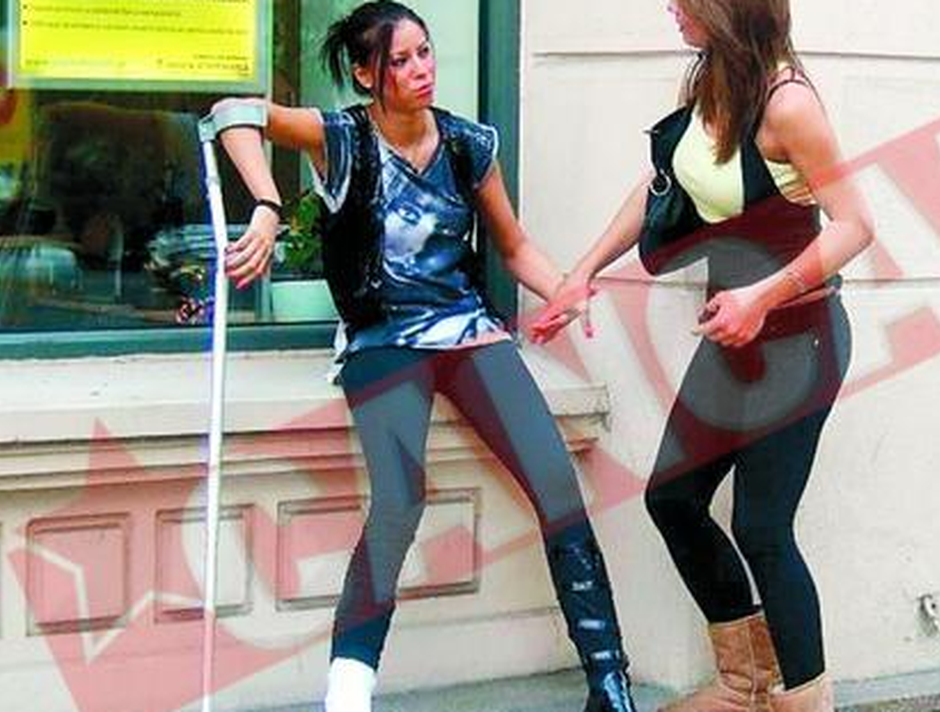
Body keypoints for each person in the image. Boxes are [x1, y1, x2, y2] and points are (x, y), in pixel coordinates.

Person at [209, 3, 638, 711]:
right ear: (365, 74)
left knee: (558, 488)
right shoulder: (342, 136)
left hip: (467, 332)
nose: (420, 70)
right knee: (400, 500)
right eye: (400, 60)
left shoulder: (468, 145)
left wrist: (566, 290)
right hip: (383, 340)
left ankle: (610, 684)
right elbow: (233, 113)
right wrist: (265, 203)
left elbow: (513, 246)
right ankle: (348, 693)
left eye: (426, 52)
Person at [534, 1, 875, 710]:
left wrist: (762, 296)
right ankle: (744, 684)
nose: (671, 7)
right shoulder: (710, 79)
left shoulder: (788, 105)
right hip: (733, 339)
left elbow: (855, 225)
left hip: (798, 340)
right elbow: (664, 181)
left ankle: (806, 701)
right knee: (673, 498)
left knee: (762, 528)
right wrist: (583, 272)